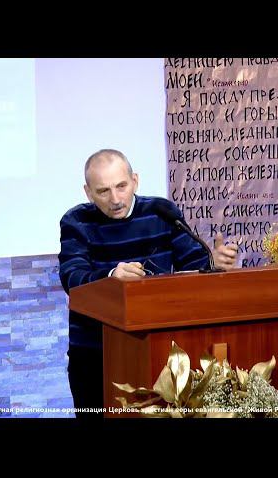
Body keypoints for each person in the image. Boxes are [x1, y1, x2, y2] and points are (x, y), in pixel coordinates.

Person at [58, 149, 238, 419]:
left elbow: (195, 266)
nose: (115, 199)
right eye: (103, 191)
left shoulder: (160, 212)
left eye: (121, 186)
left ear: (135, 181)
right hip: (95, 353)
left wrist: (214, 263)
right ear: (88, 192)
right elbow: (72, 279)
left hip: (158, 349)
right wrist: (111, 276)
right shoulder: (76, 221)